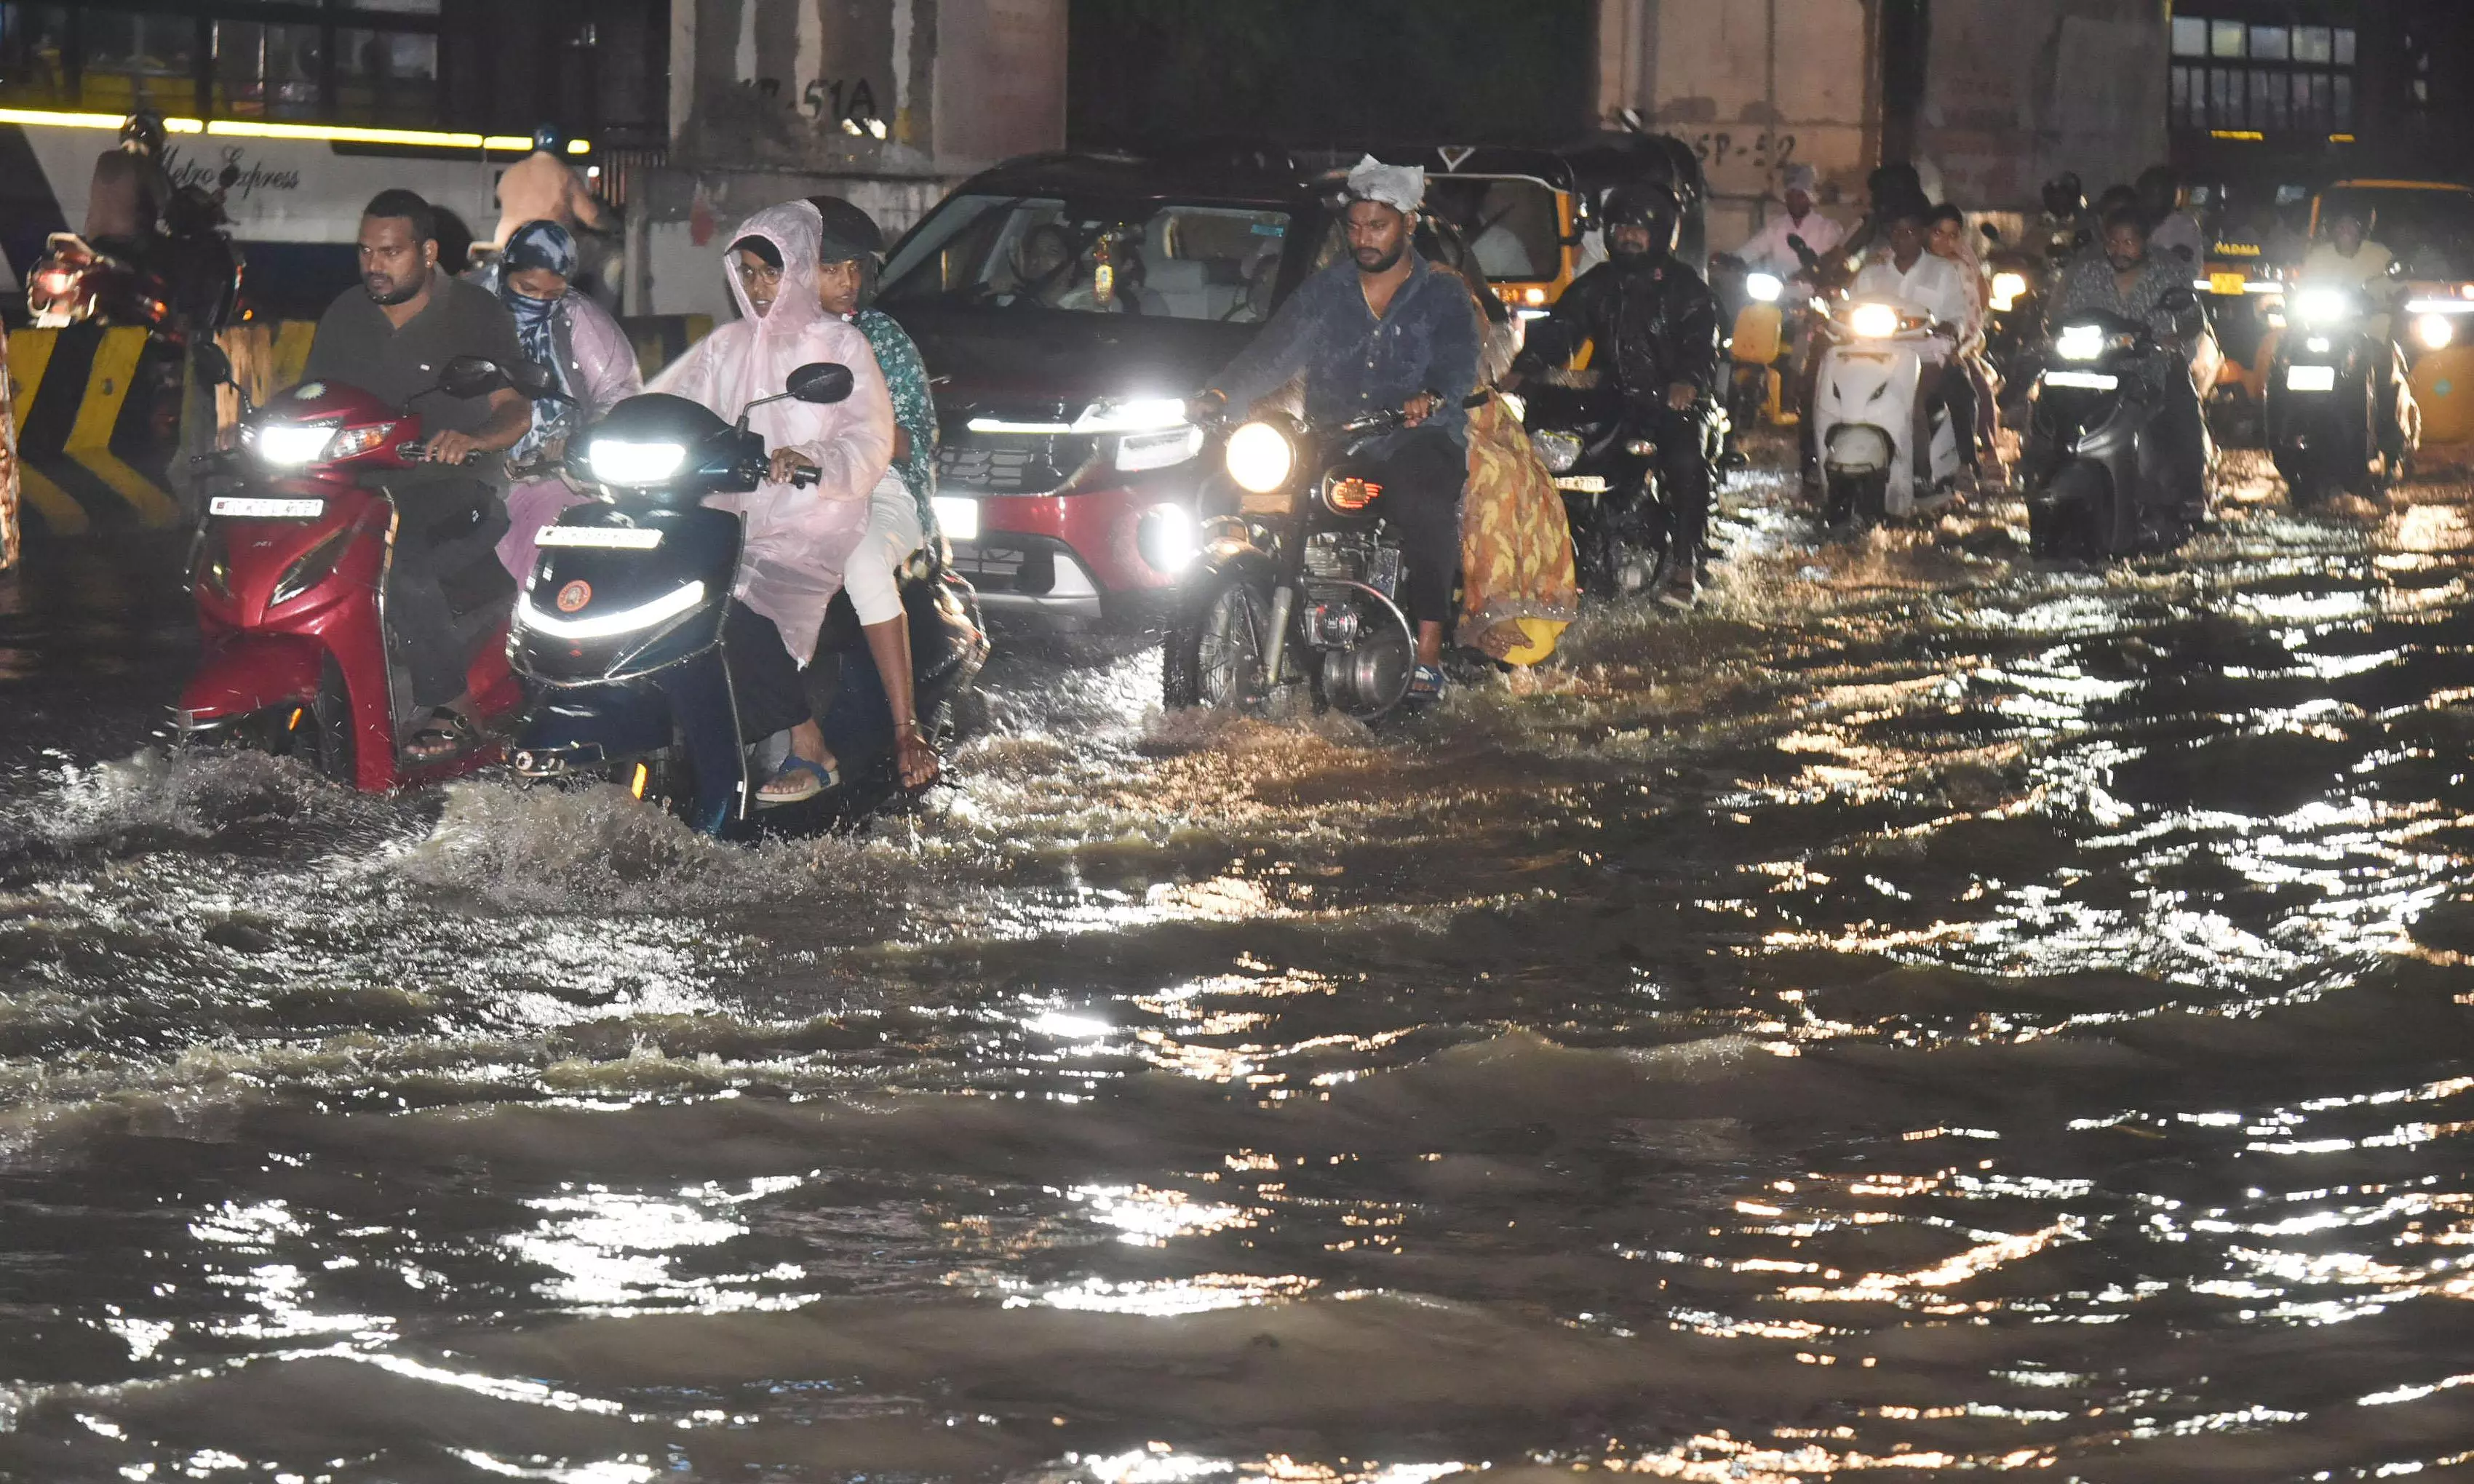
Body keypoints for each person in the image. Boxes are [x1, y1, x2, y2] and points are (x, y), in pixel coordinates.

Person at [1190, 154, 1479, 703]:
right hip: (1333, 438)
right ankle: (1250, 602)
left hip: (1416, 437)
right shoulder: (1327, 291)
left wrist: (1431, 396)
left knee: (1422, 500)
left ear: (1408, 225)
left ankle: (1430, 649)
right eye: (1355, 226)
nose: (1364, 238)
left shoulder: (1441, 292)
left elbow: (1459, 360)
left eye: (1378, 226)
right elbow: (1271, 354)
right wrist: (1221, 394)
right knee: (1227, 490)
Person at [651, 201, 895, 805]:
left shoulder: (840, 345)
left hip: (807, 520)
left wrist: (814, 459)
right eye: (751, 272)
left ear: (803, 270)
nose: (759, 286)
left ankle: (809, 742)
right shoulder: (726, 345)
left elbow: (869, 438)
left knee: (731, 606)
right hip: (722, 513)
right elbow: (667, 404)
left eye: (772, 271)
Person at [301, 188, 533, 762]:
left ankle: (453, 705)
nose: (373, 266)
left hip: (454, 489)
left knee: (395, 565)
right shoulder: (346, 314)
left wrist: (474, 439)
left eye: (389, 253)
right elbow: (310, 399)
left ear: (428, 252)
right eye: (365, 252)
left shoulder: (476, 314)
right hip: (355, 487)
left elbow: (515, 410)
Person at [1507, 182, 1722, 607]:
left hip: (1673, 403)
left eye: (1639, 229)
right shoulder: (1598, 284)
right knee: (1547, 450)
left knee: (1684, 461)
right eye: (1621, 226)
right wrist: (1526, 369)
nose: (1628, 235)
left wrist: (1688, 380)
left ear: (1661, 234)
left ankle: (1684, 568)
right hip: (1612, 398)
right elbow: (1562, 328)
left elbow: (1702, 342)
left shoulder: (1687, 288)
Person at [809, 194, 945, 791]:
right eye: (829, 267)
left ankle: (904, 728)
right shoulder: (759, 337)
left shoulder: (881, 338)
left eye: (854, 268)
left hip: (881, 487)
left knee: (862, 561)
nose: (847, 282)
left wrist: (859, 427)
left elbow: (916, 441)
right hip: (792, 489)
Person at [482, 219, 644, 579]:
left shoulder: (577, 316)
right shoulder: (473, 307)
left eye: (551, 295)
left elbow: (619, 391)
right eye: (527, 288)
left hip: (555, 475)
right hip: (477, 470)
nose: (538, 302)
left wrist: (581, 440)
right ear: (505, 272)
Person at [2045, 207, 2209, 503]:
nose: (2120, 250)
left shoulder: (2169, 272)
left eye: (2129, 242)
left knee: (2182, 407)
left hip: (2149, 363)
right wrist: (2054, 332)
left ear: (2145, 243)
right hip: (2093, 364)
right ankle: (2042, 472)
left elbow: (2194, 318)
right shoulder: (2090, 273)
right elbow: (2064, 314)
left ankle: (2191, 494)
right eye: (2114, 243)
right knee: (2048, 398)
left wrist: (2174, 338)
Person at [1850, 202, 1974, 489]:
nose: (1902, 237)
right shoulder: (1873, 274)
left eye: (1909, 231)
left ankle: (1921, 473)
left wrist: (1947, 328)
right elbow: (1848, 307)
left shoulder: (1942, 271)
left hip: (1925, 356)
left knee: (1911, 396)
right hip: (1874, 355)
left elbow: (1957, 315)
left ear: (1921, 235)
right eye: (1896, 232)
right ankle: (1818, 462)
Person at [1928, 202, 2002, 484]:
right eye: (1938, 233)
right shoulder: (1914, 263)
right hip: (1913, 347)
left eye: (1953, 235)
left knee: (1977, 389)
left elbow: (1974, 313)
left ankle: (1982, 456)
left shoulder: (1962, 266)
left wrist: (1961, 348)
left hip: (1959, 346)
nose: (1945, 241)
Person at [487, 124, 607, 252]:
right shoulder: (566, 174)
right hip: (550, 249)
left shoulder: (510, 172)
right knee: (611, 256)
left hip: (507, 244)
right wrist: (612, 226)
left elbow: (500, 196)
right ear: (562, 146)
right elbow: (591, 217)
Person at [83, 111, 173, 254]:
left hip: (96, 242)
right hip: (132, 244)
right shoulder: (148, 166)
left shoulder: (104, 159)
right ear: (152, 140)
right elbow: (168, 204)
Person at [1738, 164, 1845, 279]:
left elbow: (1837, 259)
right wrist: (1729, 260)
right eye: (1790, 196)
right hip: (1779, 293)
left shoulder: (1828, 228)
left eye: (1800, 196)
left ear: (1810, 198)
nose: (1795, 201)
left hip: (1815, 293)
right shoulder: (1777, 227)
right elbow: (1751, 250)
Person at [2139, 164, 2205, 271]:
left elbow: (2191, 268)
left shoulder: (2184, 226)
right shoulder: (2134, 223)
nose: (2155, 196)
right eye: (2150, 191)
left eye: (2160, 191)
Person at [2036, 172, 2094, 263]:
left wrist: (2073, 248)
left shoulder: (2087, 220)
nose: (2058, 201)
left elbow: (2091, 248)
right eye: (2054, 196)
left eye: (2063, 195)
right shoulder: (2041, 221)